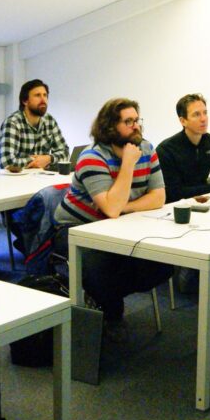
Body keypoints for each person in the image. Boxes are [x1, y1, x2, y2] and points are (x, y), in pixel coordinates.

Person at [53, 98, 171, 342]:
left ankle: (103, 297)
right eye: (128, 122)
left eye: (137, 120)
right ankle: (111, 313)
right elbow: (111, 208)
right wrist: (127, 165)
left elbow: (158, 197)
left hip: (119, 224)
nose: (136, 126)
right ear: (109, 127)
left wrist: (123, 207)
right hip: (75, 229)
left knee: (163, 263)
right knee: (102, 265)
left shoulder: (147, 149)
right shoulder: (92, 157)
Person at [157, 93, 210, 204]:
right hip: (177, 207)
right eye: (196, 114)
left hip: (204, 202)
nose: (203, 119)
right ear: (183, 121)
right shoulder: (166, 150)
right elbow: (174, 193)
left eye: (205, 113)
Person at [0, 79, 69, 172]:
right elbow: (7, 162)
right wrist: (37, 161)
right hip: (7, 178)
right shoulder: (13, 123)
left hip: (36, 176)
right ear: (25, 101)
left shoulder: (49, 121)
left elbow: (65, 153)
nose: (43, 99)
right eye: (37, 95)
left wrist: (49, 159)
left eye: (45, 95)